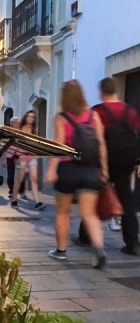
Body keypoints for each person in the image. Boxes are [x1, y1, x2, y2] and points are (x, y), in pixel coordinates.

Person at [44, 80, 108, 268]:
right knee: (89, 213)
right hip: (90, 170)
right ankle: (99, 248)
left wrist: (51, 169)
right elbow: (101, 144)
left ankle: (61, 251)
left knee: (63, 212)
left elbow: (59, 146)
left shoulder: (61, 118)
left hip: (67, 170)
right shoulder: (94, 116)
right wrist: (104, 170)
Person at [78, 77, 140, 255]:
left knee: (93, 197)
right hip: (126, 162)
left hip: (102, 163)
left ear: (101, 92)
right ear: (116, 91)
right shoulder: (130, 111)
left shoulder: (98, 111)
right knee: (126, 201)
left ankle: (85, 236)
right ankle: (132, 243)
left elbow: (92, 140)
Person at [11, 111, 46, 210]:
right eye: (29, 116)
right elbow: (14, 143)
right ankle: (14, 199)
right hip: (21, 157)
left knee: (34, 179)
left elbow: (36, 144)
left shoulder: (35, 130)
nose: (31, 118)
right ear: (26, 117)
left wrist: (38, 154)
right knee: (19, 180)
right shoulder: (20, 129)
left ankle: (38, 202)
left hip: (32, 157)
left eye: (33, 117)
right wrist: (15, 156)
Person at [4, 117, 27, 199]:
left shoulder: (22, 132)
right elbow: (5, 146)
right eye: (11, 122)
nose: (12, 124)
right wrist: (4, 158)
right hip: (9, 156)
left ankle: (22, 191)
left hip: (20, 156)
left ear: (18, 123)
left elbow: (23, 144)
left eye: (14, 122)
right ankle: (11, 191)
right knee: (10, 175)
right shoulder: (8, 132)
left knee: (21, 175)